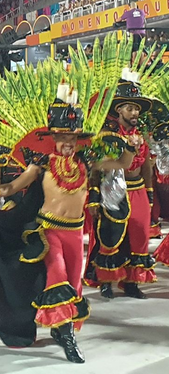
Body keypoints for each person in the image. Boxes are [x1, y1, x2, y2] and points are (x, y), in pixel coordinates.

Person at [0, 91, 135, 364]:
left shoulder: (87, 162)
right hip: (48, 232)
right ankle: (68, 339)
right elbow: (10, 188)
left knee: (74, 285)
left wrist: (130, 146)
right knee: (58, 278)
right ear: (53, 137)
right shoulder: (40, 165)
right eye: (63, 137)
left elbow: (124, 163)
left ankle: (59, 327)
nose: (68, 142)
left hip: (75, 234)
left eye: (72, 137)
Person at [85, 76, 156, 298]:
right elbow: (96, 169)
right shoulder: (106, 136)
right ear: (119, 111)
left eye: (137, 109)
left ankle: (131, 283)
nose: (134, 113)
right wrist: (94, 197)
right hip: (112, 192)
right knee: (110, 236)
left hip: (138, 189)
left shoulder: (141, 136)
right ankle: (106, 281)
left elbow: (146, 166)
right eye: (130, 108)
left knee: (139, 235)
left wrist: (149, 193)